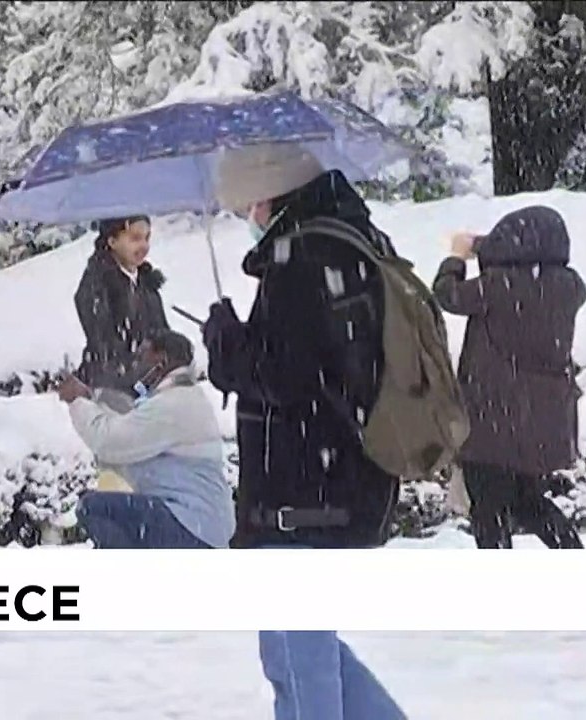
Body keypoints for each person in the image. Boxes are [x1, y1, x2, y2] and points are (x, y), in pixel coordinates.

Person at [202, 143, 406, 720]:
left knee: (301, 657)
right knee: (296, 648)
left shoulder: (303, 255)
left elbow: (287, 376)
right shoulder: (348, 240)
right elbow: (318, 364)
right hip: (339, 480)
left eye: (248, 205)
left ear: (270, 195)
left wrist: (225, 345)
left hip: (308, 492)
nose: (248, 216)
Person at [433, 206, 586, 549]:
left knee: (488, 509)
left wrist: (457, 257)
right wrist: (484, 247)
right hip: (539, 425)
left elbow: (447, 294)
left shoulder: (498, 287)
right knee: (529, 502)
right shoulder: (569, 287)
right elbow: (526, 255)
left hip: (493, 421)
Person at [59, 330, 233, 549]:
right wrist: (89, 398)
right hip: (200, 526)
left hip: (192, 527)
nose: (136, 364)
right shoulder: (182, 398)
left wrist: (76, 401)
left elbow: (111, 443)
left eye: (142, 356)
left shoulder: (173, 404)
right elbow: (128, 425)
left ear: (162, 361)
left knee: (95, 507)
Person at [73, 215, 170, 395]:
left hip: (149, 386)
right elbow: (105, 343)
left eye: (147, 238)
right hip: (110, 390)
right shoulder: (97, 285)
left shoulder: (146, 283)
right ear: (112, 241)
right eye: (135, 238)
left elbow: (160, 332)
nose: (143, 246)